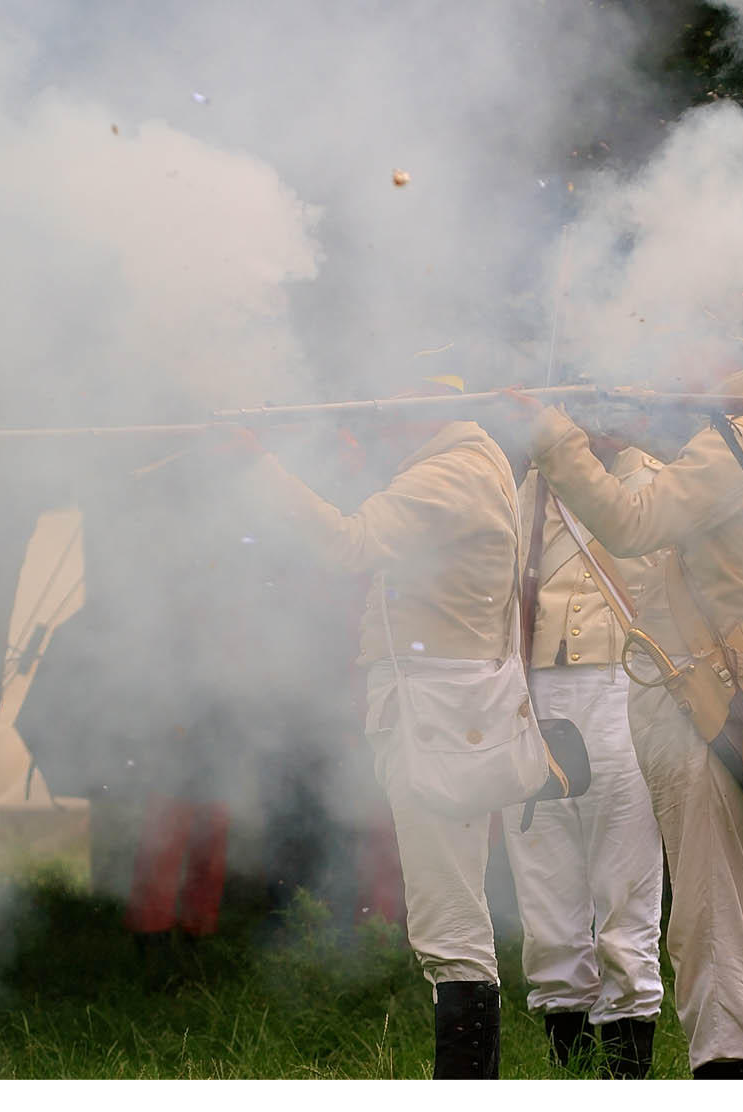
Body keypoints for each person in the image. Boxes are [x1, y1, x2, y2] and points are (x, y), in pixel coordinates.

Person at [510, 331, 743, 1078]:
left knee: (695, 907)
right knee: (717, 897)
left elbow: (632, 526)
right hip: (625, 687)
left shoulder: (714, 451)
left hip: (676, 691)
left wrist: (552, 441)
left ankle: (727, 1064)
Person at [227, 383, 531, 1080]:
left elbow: (349, 542)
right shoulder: (467, 462)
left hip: (439, 715)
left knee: (450, 925)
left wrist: (257, 465)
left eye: (391, 413)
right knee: (452, 919)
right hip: (450, 710)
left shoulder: (448, 472)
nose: (382, 426)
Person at [504, 439, 666, 1078]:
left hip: (621, 687)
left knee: (625, 888)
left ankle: (625, 1075)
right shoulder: (531, 485)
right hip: (532, 691)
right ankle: (567, 1074)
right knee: (544, 895)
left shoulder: (651, 481)